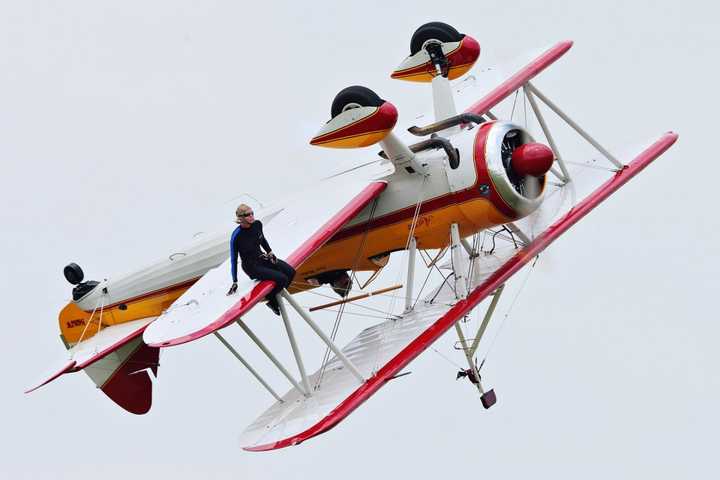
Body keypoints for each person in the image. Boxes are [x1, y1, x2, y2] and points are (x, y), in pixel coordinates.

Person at [226, 204, 295, 316]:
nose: (252, 216)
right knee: (282, 278)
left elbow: (262, 239)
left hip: (262, 258)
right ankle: (271, 300)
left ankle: (273, 299)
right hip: (252, 267)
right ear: (240, 218)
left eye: (252, 213)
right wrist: (235, 281)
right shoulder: (236, 236)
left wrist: (270, 252)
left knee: (291, 272)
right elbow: (234, 260)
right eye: (248, 215)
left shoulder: (257, 224)